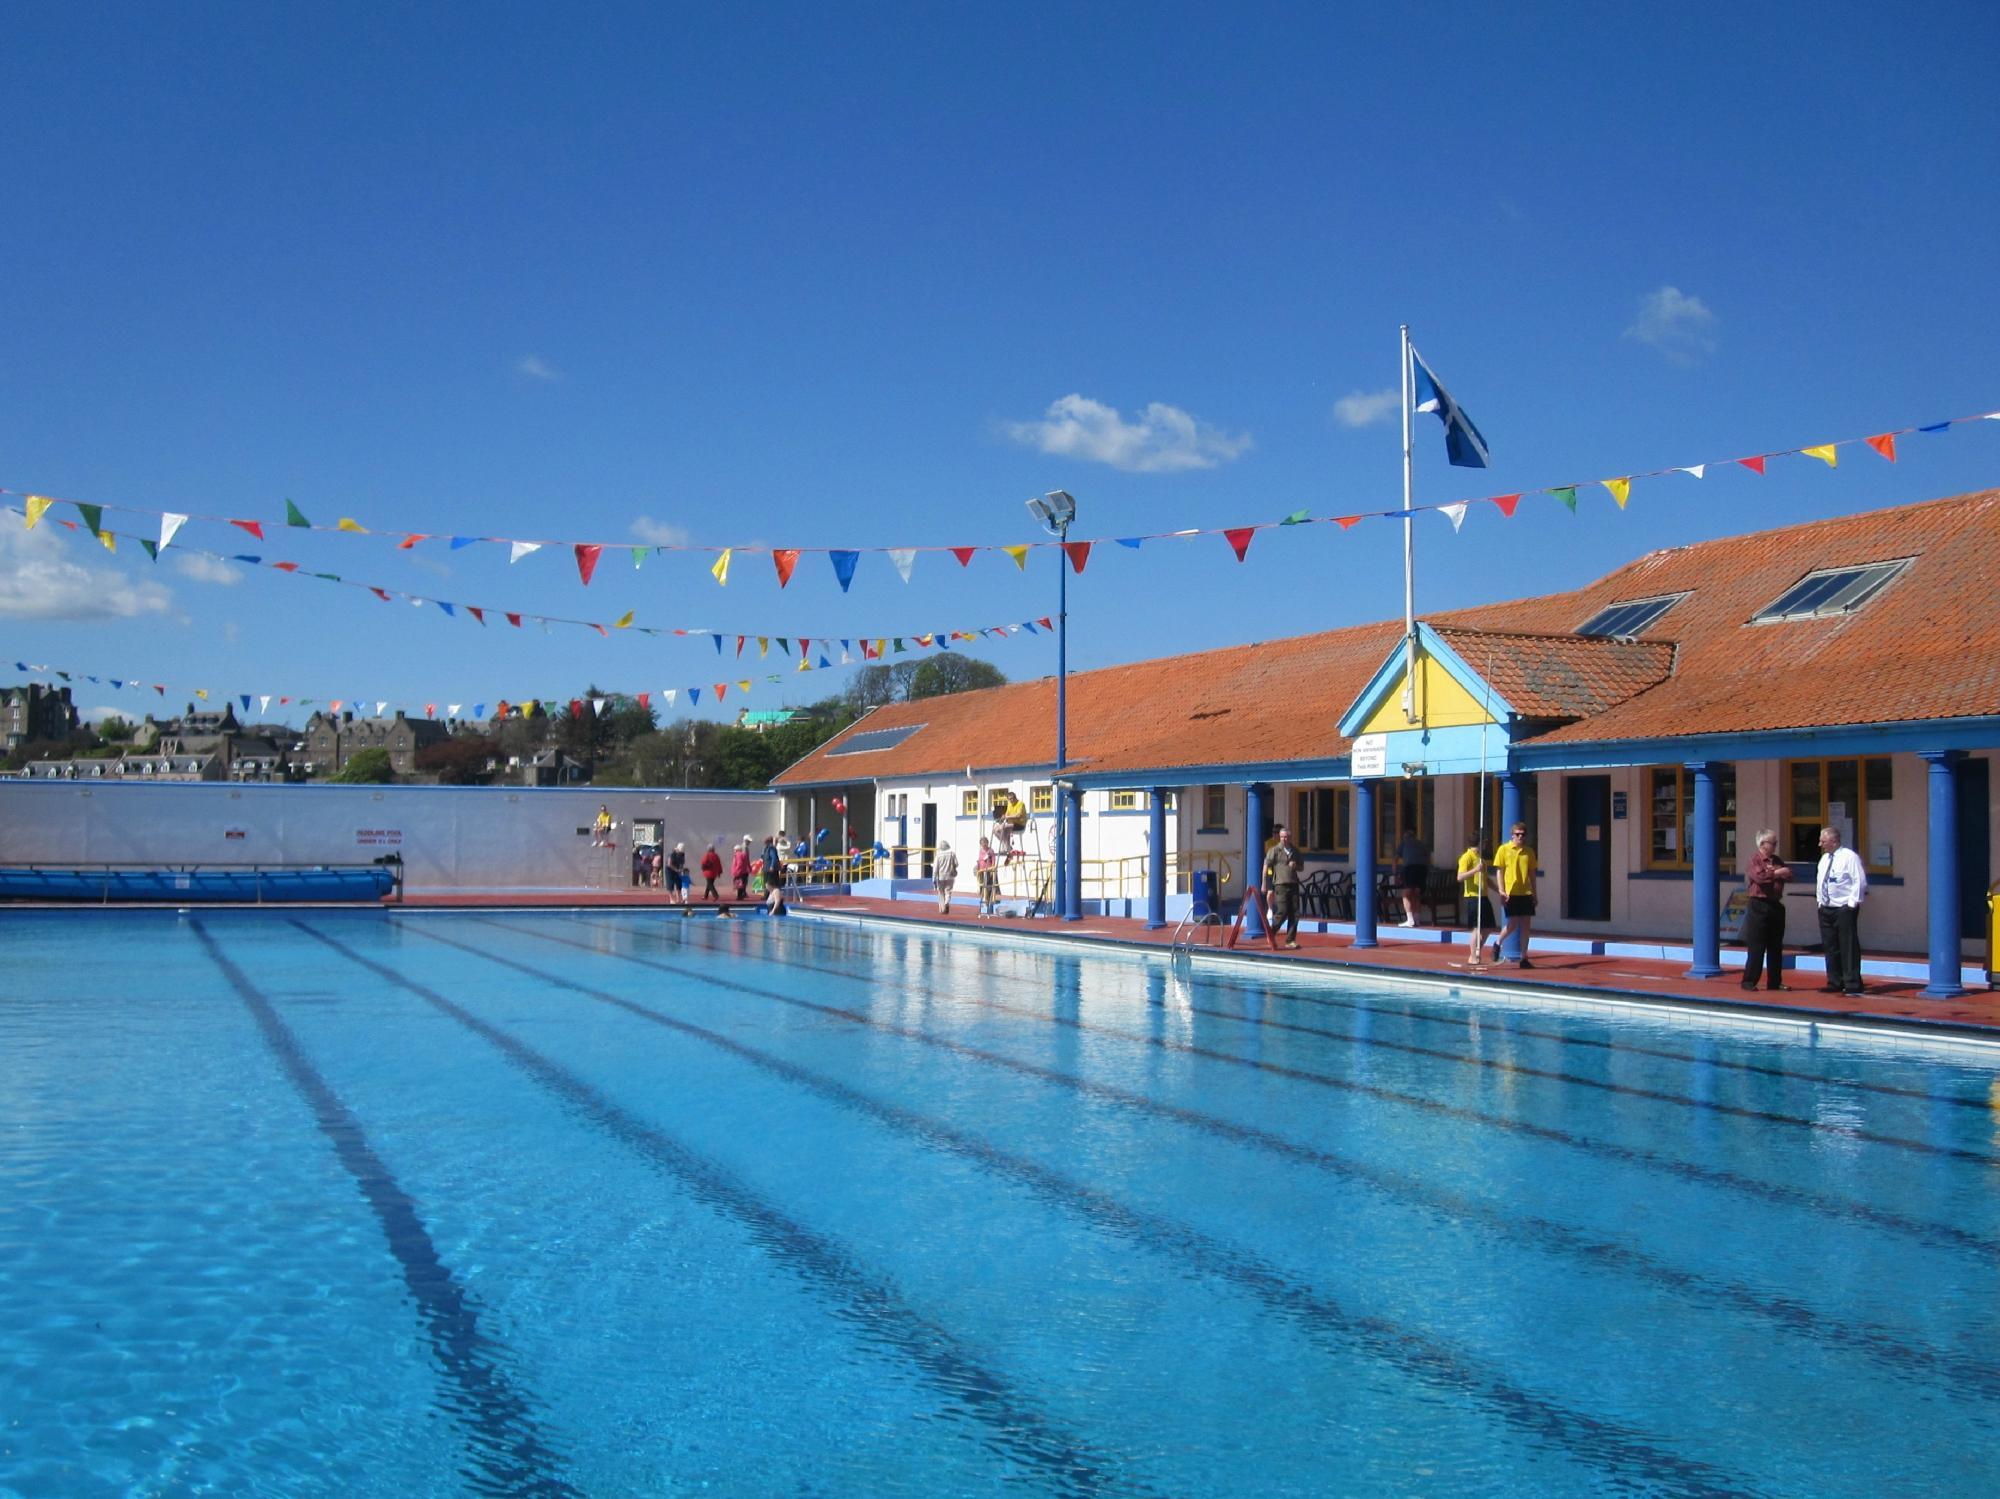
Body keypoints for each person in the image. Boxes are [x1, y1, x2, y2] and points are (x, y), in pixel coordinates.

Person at [1815, 824, 1867, 995]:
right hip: (1826, 908)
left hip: (1843, 907)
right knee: (1830, 945)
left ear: (1833, 841)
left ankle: (1852, 982)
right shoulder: (1824, 859)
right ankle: (1834, 981)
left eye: (1823, 841)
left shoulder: (1849, 857)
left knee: (1848, 945)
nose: (1820, 844)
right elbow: (1821, 882)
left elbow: (1859, 881)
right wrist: (1820, 902)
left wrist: (1852, 904)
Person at [1740, 828, 1793, 991]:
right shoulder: (1754, 859)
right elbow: (1760, 877)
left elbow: (1790, 875)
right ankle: (1749, 981)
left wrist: (1777, 872)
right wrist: (1778, 873)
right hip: (1759, 904)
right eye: (1773, 843)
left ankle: (1775, 981)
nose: (1776, 845)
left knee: (1775, 946)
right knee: (1757, 946)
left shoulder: (1777, 859)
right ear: (1763, 844)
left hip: (1775, 904)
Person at [1487, 822, 1537, 968]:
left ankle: (1524, 957)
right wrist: (1501, 890)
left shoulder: (1529, 852)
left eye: (1523, 834)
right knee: (1513, 923)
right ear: (1512, 835)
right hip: (1511, 892)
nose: (1520, 837)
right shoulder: (1504, 849)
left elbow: (1532, 874)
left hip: (1525, 892)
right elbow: (1499, 871)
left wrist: (1535, 893)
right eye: (1517, 834)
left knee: (1526, 924)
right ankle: (1497, 943)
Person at [1262, 823, 1304, 949]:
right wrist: (1264, 883)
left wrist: (1295, 866)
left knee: (1295, 913)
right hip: (1280, 885)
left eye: (1286, 837)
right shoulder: (1274, 850)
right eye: (1281, 837)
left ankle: (1290, 940)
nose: (1284, 839)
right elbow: (1266, 866)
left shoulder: (1295, 851)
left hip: (1293, 884)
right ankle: (1271, 933)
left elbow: (1302, 867)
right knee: (1282, 911)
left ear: (1289, 837)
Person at [1456, 841, 1496, 965]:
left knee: (1489, 927)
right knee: (1476, 927)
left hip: (1483, 896)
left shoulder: (1481, 860)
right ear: (1479, 843)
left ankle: (1477, 952)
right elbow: (1460, 877)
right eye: (1483, 843)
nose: (1485, 845)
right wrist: (1474, 870)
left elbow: (1486, 879)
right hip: (1473, 896)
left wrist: (1499, 890)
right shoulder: (1466, 857)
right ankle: (1473, 957)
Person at [1396, 825, 1431, 928]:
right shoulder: (1422, 844)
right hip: (1422, 869)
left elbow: (1395, 858)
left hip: (1410, 869)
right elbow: (1428, 858)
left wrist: (1395, 873)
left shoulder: (1404, 843)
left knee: (1405, 894)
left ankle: (1410, 919)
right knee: (1416, 893)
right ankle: (1417, 919)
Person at [933, 839, 959, 914]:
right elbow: (956, 864)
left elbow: (935, 868)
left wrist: (934, 877)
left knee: (941, 892)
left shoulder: (938, 855)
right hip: (950, 876)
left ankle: (942, 908)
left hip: (940, 876)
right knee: (948, 891)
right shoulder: (952, 854)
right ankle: (947, 902)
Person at [975, 835, 998, 916]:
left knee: (988, 886)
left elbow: (994, 859)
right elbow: (980, 859)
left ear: (987, 843)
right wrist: (978, 867)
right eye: (982, 844)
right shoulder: (981, 851)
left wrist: (992, 868)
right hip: (981, 870)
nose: (984, 845)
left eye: (985, 843)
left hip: (988, 870)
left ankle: (988, 900)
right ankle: (984, 900)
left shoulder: (990, 850)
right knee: (982, 886)